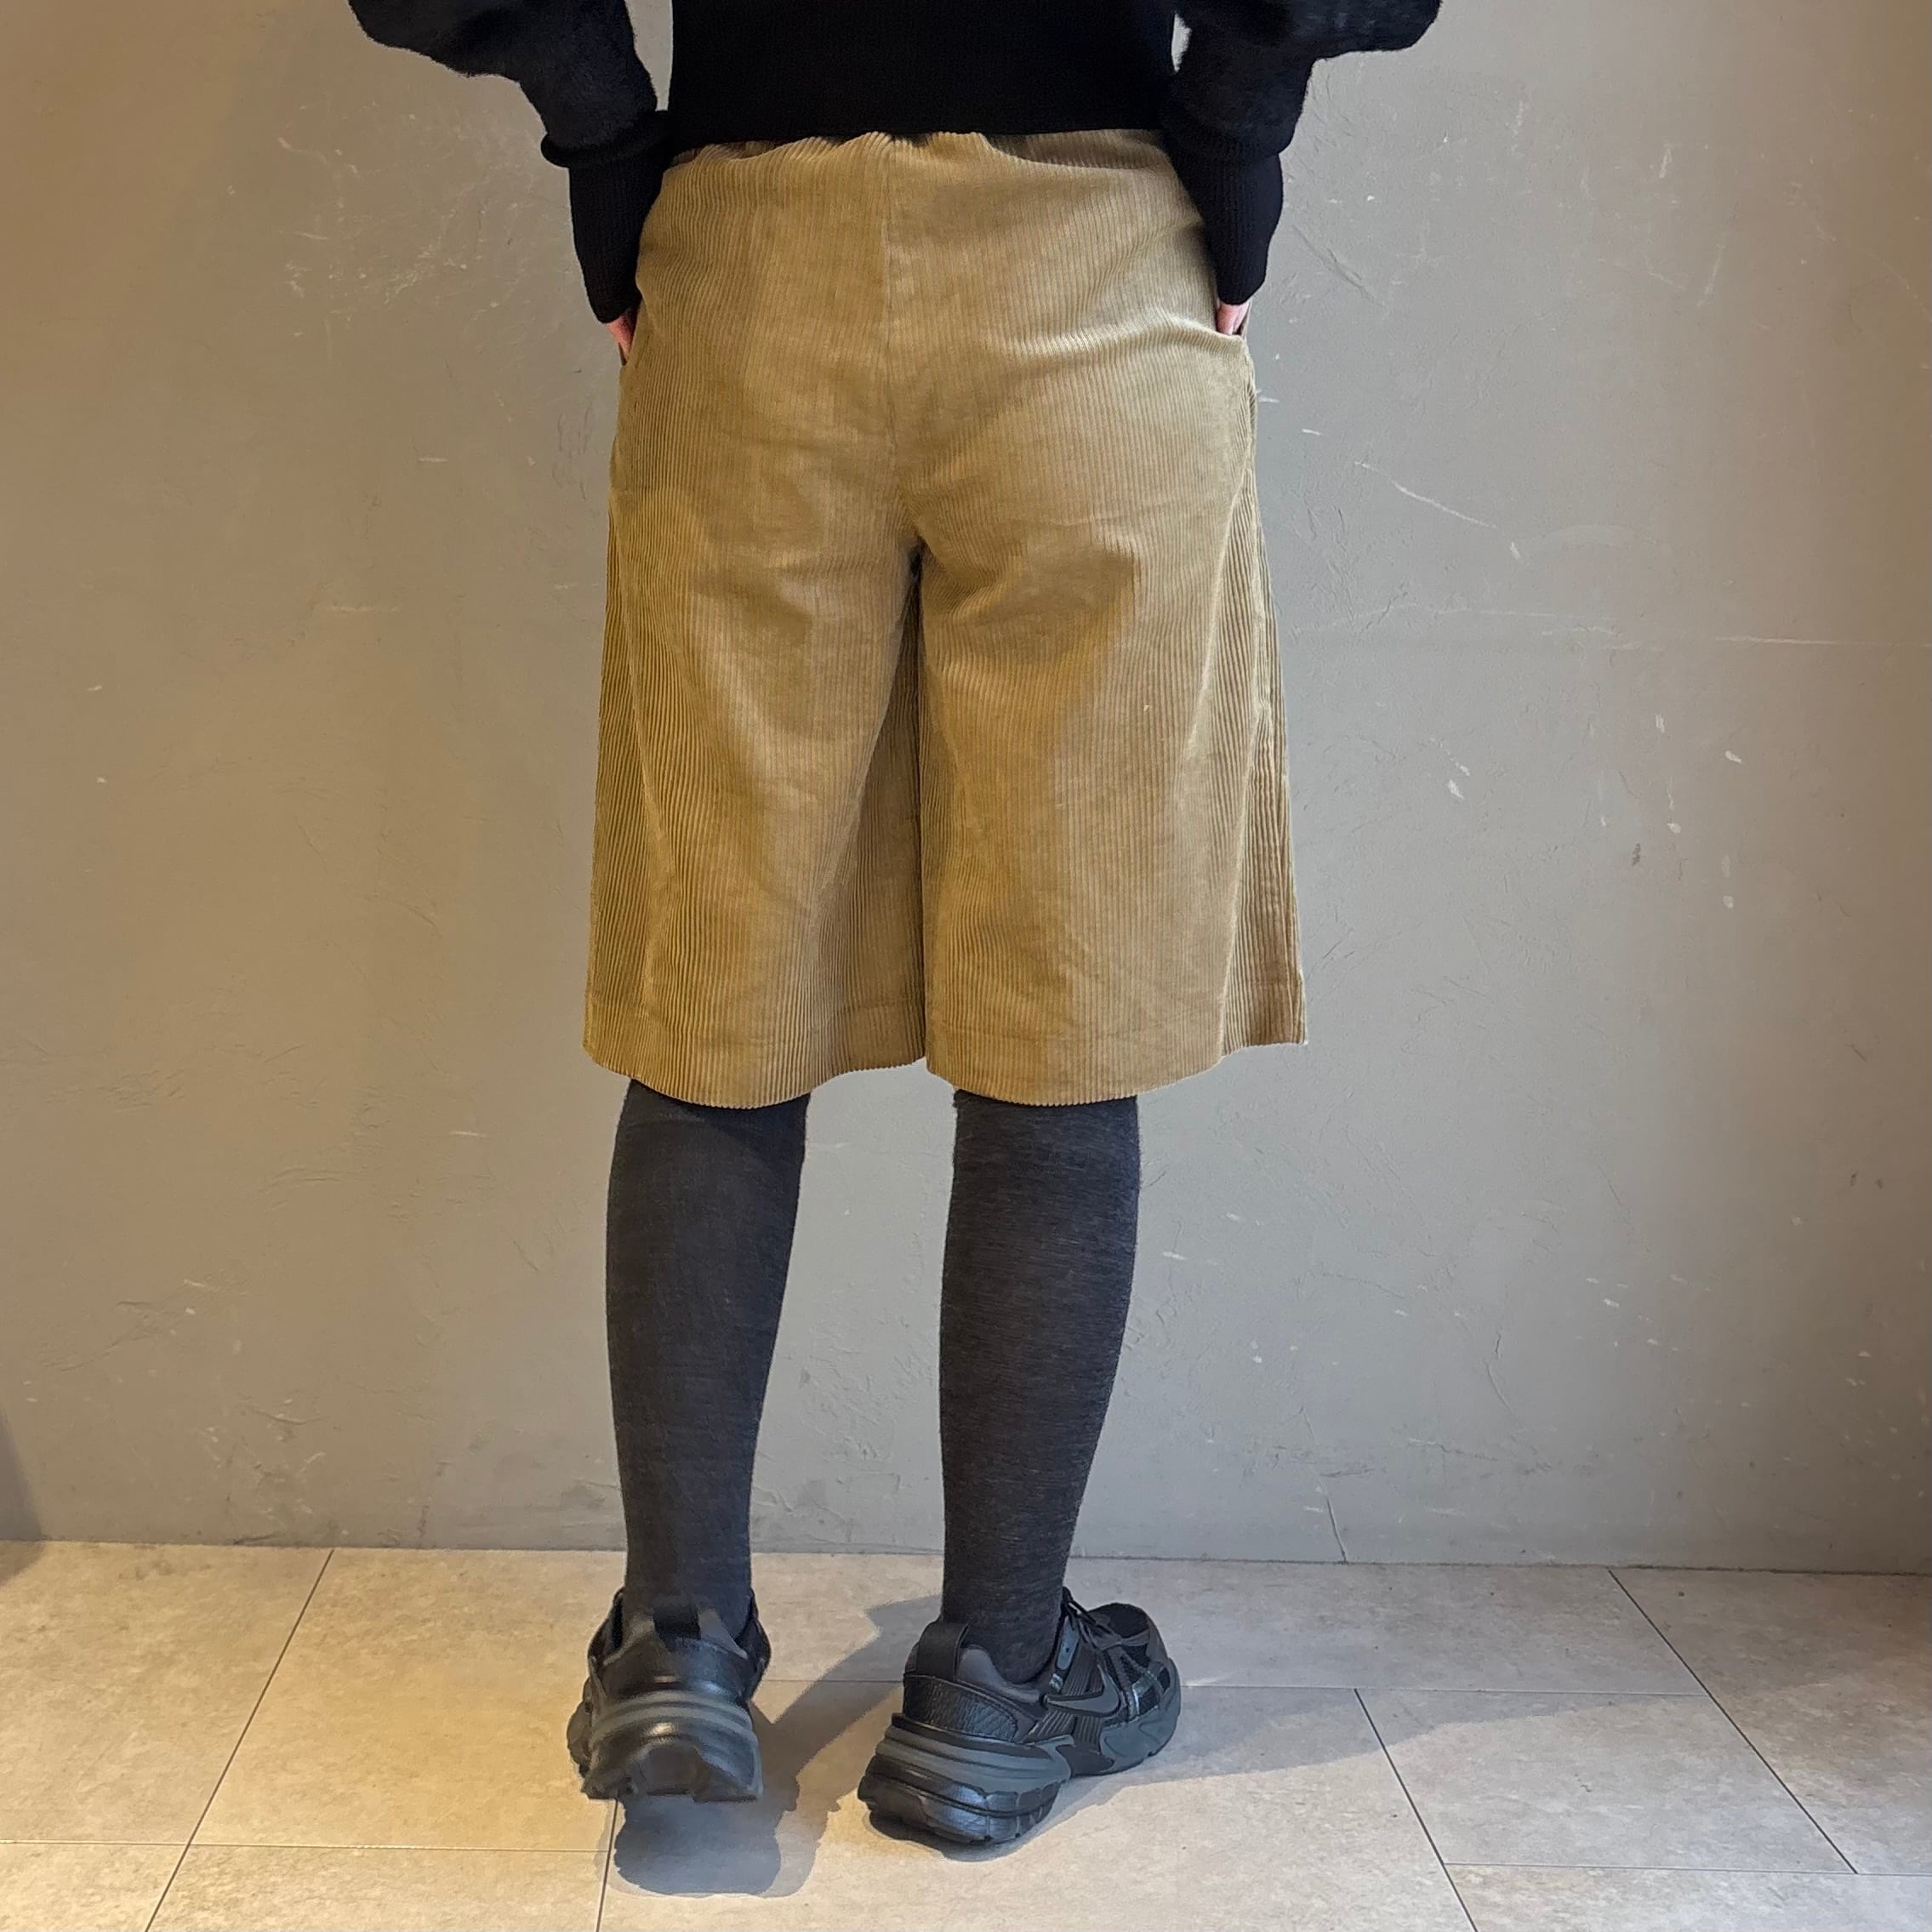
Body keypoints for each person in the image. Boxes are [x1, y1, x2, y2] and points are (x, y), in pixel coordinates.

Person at [347, 0, 1440, 1849]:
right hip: (1090, 255)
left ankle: (677, 1650)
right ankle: (994, 1686)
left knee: (717, 992)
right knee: (1061, 999)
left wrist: (605, 136)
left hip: (750, 268)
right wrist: (1234, 134)